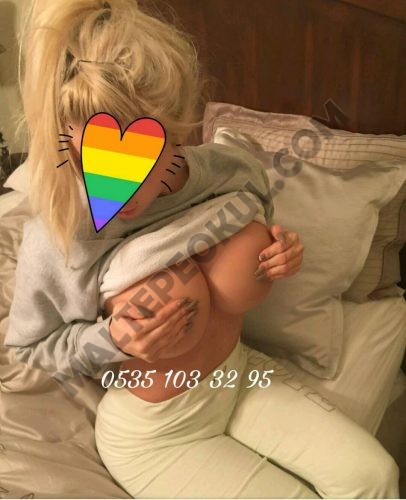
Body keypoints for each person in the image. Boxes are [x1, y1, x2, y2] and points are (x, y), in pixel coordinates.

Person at [5, 0, 399, 498]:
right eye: (94, 160)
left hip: (239, 376)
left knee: (375, 476)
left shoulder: (230, 171)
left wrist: (282, 252)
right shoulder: (61, 232)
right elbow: (31, 348)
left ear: (178, 132)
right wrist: (112, 339)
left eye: (141, 158)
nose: (119, 188)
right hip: (157, 432)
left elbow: (256, 229)